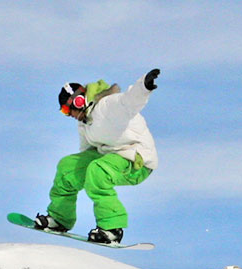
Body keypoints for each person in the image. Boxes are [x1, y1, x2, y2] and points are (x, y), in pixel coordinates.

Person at [33, 69, 160, 244]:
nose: (68, 115)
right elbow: (86, 153)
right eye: (63, 112)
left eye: (66, 110)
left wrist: (143, 86)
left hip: (137, 159)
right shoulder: (84, 123)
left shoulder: (107, 106)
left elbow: (129, 102)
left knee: (97, 171)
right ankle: (60, 218)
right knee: (67, 167)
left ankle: (112, 228)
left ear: (78, 101)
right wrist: (75, 174)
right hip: (108, 156)